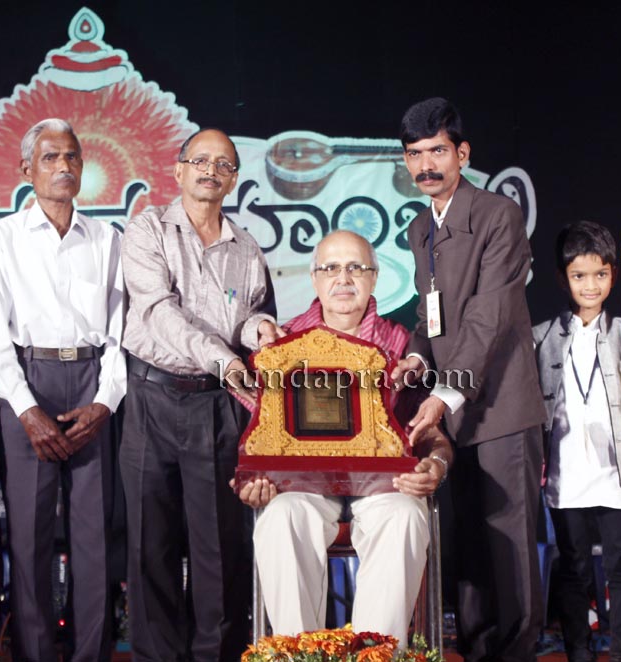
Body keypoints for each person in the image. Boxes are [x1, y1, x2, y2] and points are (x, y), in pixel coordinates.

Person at [235, 230, 454, 646]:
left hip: (383, 487)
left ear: (374, 278)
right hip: (304, 487)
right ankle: (300, 655)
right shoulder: (282, 345)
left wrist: (436, 467)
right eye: (331, 268)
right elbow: (260, 440)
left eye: (356, 267)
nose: (343, 278)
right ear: (314, 279)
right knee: (280, 518)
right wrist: (253, 479)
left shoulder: (405, 347)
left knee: (406, 515)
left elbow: (434, 438)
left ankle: (376, 653)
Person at [391, 97, 546, 661]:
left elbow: (489, 316)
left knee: (509, 548)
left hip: (501, 407)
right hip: (451, 411)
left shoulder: (496, 215)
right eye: (414, 154)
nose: (426, 164)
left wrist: (443, 392)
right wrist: (414, 357)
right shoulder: (419, 229)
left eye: (437, 150)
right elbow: (429, 314)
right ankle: (476, 652)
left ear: (462, 152)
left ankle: (517, 653)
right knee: (468, 548)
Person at [121, 128, 283, 661]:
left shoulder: (248, 247)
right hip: (151, 399)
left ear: (234, 179)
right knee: (152, 549)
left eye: (224, 165)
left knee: (220, 552)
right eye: (201, 161)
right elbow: (157, 310)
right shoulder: (146, 230)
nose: (211, 171)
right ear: (179, 168)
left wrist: (259, 331)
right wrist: (225, 356)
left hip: (218, 406)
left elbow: (251, 314)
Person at [0, 118, 127, 662]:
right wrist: (27, 411)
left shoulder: (108, 238)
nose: (63, 167)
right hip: (28, 383)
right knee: (31, 539)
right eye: (49, 158)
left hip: (91, 386)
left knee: (94, 542)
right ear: (26, 170)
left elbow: (118, 333)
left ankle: (92, 655)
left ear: (84, 167)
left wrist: (106, 402)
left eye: (72, 158)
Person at [532, 221, 621, 662]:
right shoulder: (541, 337)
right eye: (579, 276)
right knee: (574, 568)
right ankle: (577, 651)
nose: (591, 285)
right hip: (566, 472)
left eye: (600, 274)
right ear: (563, 279)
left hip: (618, 472)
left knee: (620, 568)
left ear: (613, 275)